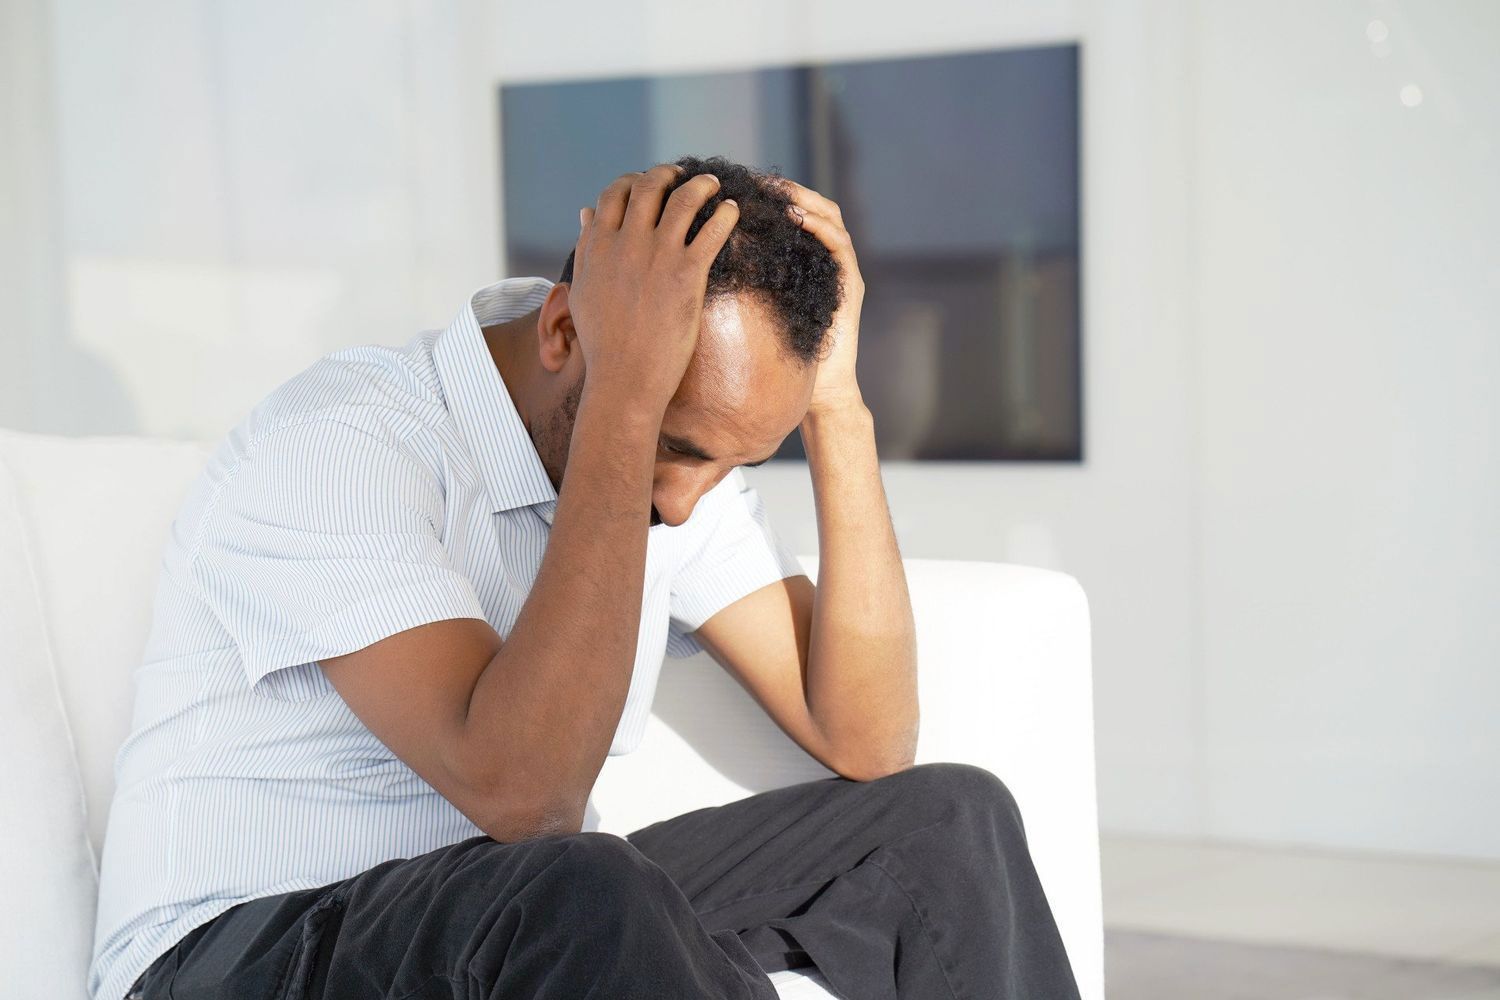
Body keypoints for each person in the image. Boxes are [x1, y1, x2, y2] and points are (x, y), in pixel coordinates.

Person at [89, 154, 1082, 1000]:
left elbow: (867, 738)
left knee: (944, 821)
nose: (689, 504)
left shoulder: (664, 470)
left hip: (511, 918)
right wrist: (627, 403)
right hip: (233, 956)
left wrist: (835, 408)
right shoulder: (344, 444)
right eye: (679, 446)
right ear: (563, 334)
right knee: (579, 884)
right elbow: (523, 795)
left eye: (730, 463)